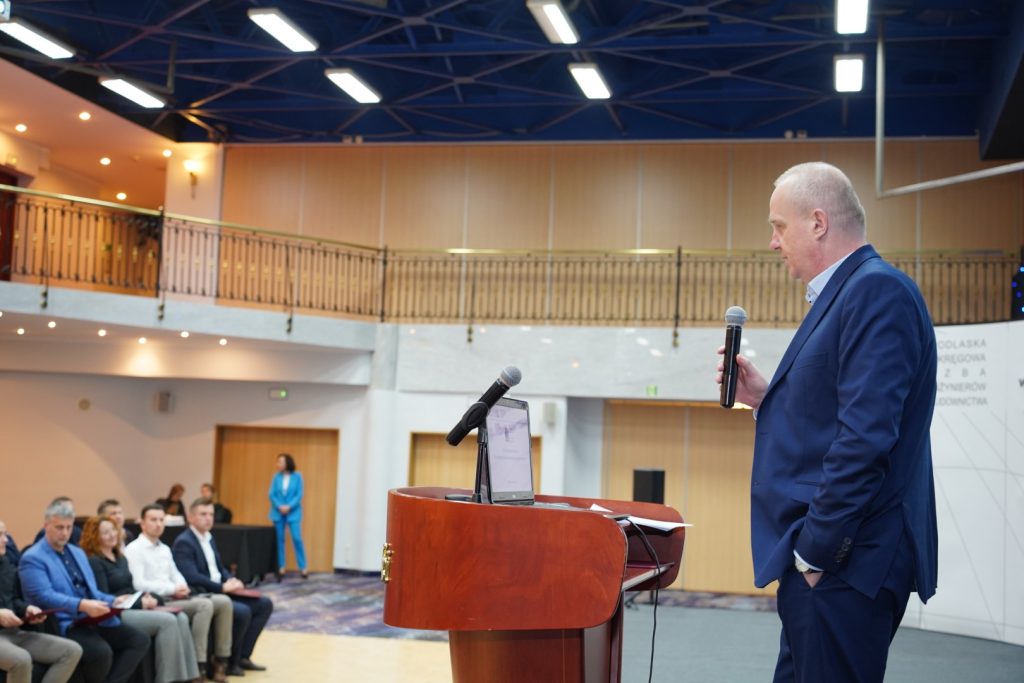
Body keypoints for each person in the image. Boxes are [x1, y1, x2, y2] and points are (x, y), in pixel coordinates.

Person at [716, 161, 938, 683]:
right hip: (836, 565)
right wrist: (765, 398)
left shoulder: (875, 291)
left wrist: (815, 555)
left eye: (778, 226)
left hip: (845, 562)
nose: (773, 242)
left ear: (818, 222)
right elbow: (837, 419)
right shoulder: (855, 292)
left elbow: (866, 439)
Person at [18, 500, 149, 683]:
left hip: (92, 617)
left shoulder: (77, 552)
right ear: (46, 525)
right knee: (101, 653)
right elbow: (43, 596)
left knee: (138, 640)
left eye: (69, 527)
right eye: (59, 527)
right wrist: (81, 605)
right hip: (65, 622)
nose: (65, 533)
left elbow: (92, 591)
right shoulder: (33, 557)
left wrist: (114, 600)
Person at [80, 516, 200, 683]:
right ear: (94, 536)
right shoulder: (95, 561)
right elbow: (102, 596)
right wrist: (138, 602)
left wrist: (149, 598)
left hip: (133, 604)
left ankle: (189, 676)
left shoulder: (120, 557)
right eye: (105, 532)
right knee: (167, 621)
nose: (112, 534)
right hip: (116, 613)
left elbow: (131, 588)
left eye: (113, 530)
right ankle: (167, 680)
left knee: (181, 617)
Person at [126, 504, 233, 683]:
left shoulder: (164, 548)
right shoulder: (134, 549)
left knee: (220, 603)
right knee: (204, 605)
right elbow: (139, 584)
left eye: (161, 520)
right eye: (153, 520)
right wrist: (172, 589)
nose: (158, 524)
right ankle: (199, 666)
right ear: (142, 523)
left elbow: (176, 574)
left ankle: (218, 662)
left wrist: (182, 586)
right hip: (156, 600)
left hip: (173, 597)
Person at [172, 499, 272, 676]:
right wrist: (221, 587)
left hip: (221, 589)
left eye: (211, 514)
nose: (208, 518)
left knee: (264, 604)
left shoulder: (209, 538)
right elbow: (191, 576)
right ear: (191, 518)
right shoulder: (184, 542)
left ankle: (243, 656)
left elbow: (219, 568)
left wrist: (231, 580)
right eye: (203, 514)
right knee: (242, 612)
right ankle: (229, 662)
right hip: (205, 593)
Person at [0, 518, 83, 683]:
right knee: (21, 660)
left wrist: (27, 609)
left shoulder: (5, 564)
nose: (6, 540)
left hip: (12, 632)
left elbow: (14, 600)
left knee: (71, 650)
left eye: (5, 534)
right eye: (0, 535)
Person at [269, 453, 307, 579]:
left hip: (293, 512)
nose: (278, 464)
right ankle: (281, 566)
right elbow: (271, 494)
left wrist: (289, 506)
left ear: (287, 463)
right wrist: (279, 506)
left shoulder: (297, 476)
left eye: (280, 462)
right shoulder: (276, 477)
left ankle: (303, 567)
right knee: (279, 540)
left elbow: (299, 494)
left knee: (297, 538)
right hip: (278, 512)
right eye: (277, 462)